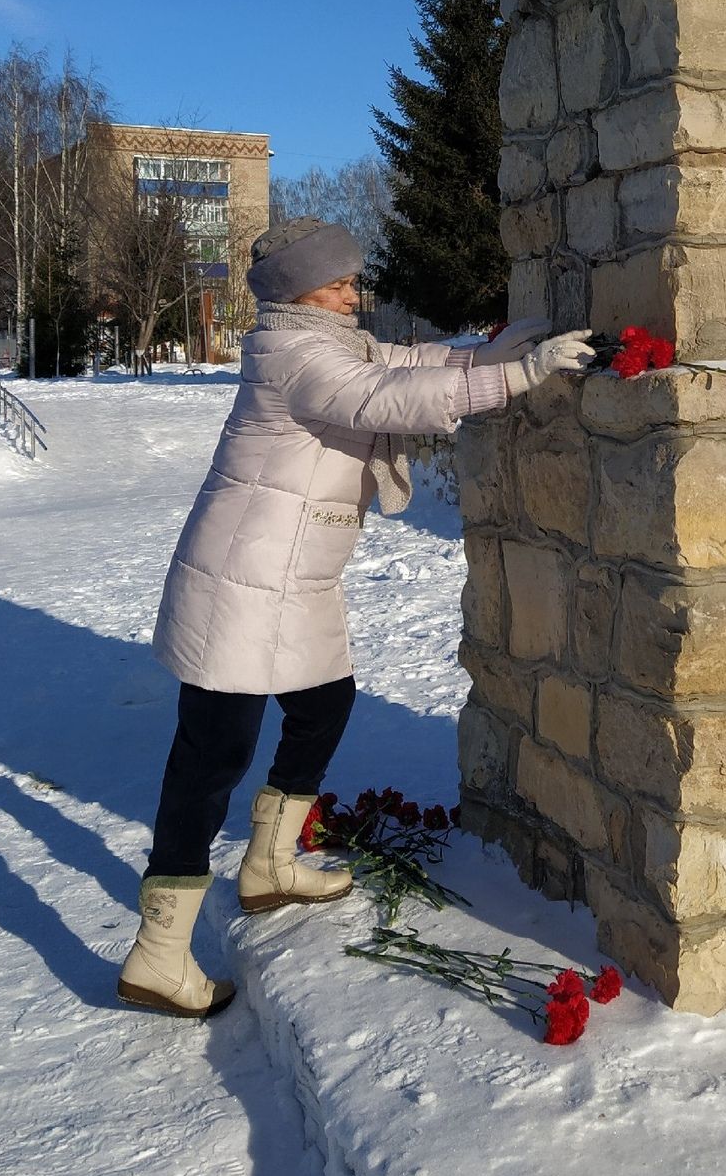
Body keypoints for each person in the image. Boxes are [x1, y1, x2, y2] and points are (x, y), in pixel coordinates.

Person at [117, 217, 593, 1019]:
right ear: (296, 293)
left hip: (292, 570)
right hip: (244, 573)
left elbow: (409, 360)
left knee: (324, 702)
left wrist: (499, 347)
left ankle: (269, 863)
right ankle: (158, 952)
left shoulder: (331, 342)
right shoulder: (294, 353)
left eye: (349, 281)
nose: (352, 293)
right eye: (337, 284)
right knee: (212, 753)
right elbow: (385, 396)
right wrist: (517, 378)